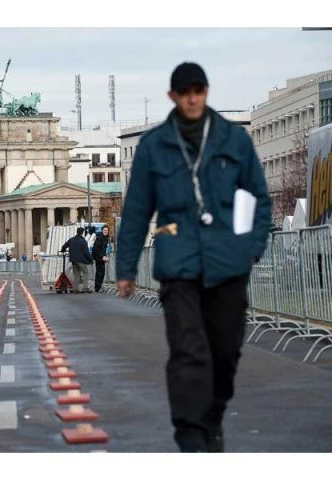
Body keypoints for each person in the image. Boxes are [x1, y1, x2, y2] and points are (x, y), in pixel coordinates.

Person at [115, 62, 271, 453]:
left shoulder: (234, 140)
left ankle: (212, 416)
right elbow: (136, 211)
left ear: (206, 91)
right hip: (179, 265)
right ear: (173, 96)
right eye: (185, 92)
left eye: (198, 91)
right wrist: (126, 269)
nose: (192, 98)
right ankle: (191, 436)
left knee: (224, 350)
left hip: (228, 265)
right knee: (188, 351)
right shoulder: (154, 146)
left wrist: (251, 249)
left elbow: (258, 198)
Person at [61, 227, 93, 293]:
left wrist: (63, 250)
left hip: (73, 260)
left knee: (76, 274)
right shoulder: (83, 241)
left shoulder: (71, 240)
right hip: (81, 260)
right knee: (86, 272)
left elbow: (64, 246)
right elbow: (86, 252)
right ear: (82, 233)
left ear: (77, 232)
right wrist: (90, 259)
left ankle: (75, 289)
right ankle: (85, 287)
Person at [92, 224, 111, 292]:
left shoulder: (105, 238)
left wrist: (104, 256)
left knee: (101, 273)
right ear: (102, 230)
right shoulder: (100, 238)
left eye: (107, 230)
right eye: (104, 230)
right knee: (100, 273)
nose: (106, 231)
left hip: (101, 257)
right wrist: (102, 256)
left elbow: (103, 249)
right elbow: (96, 249)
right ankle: (97, 288)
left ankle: (98, 287)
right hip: (99, 258)